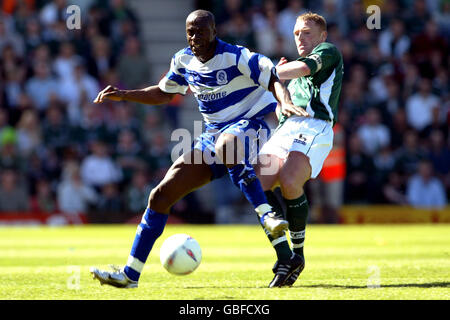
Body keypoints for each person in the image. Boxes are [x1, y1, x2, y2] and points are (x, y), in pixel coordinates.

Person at [90, 10, 303, 288]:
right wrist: (124, 95)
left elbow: (272, 77)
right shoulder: (183, 60)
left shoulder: (236, 56)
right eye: (190, 32)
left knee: (228, 145)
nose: (194, 38)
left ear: (214, 31)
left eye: (200, 31)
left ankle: (267, 215)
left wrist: (284, 100)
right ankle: (130, 275)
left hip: (250, 124)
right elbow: (164, 93)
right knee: (161, 195)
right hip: (212, 136)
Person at [255, 12, 343, 287]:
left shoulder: (328, 51)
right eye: (296, 34)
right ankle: (286, 256)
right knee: (256, 182)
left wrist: (266, 73)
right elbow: (282, 103)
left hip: (315, 126)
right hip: (287, 129)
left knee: (291, 180)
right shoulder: (291, 70)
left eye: (306, 32)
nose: (301, 38)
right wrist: (278, 88)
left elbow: (305, 68)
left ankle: (298, 254)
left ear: (322, 36)